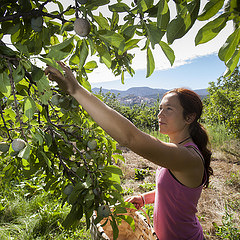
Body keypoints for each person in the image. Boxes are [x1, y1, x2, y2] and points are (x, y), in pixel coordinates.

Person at [45, 62, 213, 240]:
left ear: (189, 117)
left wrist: (76, 89)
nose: (159, 115)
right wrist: (144, 198)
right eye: (160, 108)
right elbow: (175, 193)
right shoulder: (177, 153)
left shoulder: (187, 156)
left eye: (169, 109)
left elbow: (130, 138)